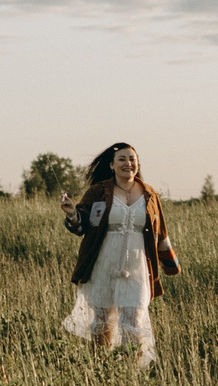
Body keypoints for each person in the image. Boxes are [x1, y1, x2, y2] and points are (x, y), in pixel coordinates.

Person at [62, 142, 177, 364]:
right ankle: (102, 367)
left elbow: (160, 230)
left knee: (133, 319)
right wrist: (72, 214)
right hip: (104, 262)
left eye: (132, 159)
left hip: (137, 267)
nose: (128, 163)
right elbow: (81, 226)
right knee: (104, 318)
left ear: (138, 164)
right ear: (112, 165)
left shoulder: (150, 195)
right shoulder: (98, 192)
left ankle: (130, 372)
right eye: (122, 159)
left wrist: (169, 263)